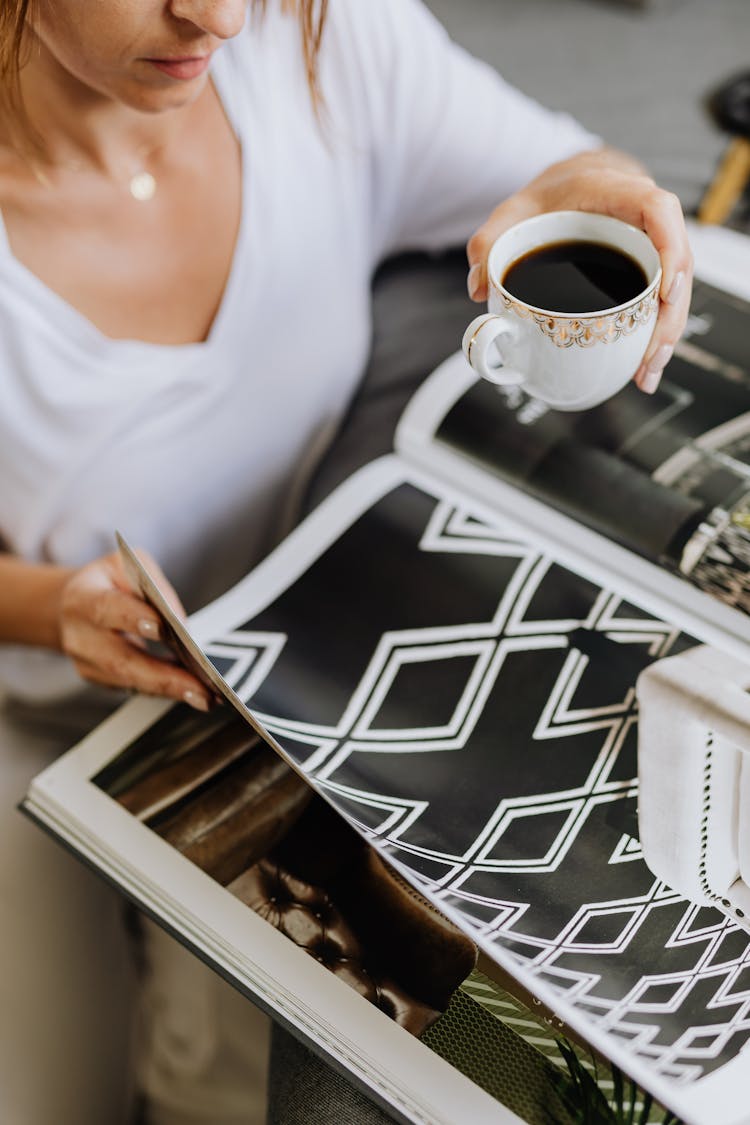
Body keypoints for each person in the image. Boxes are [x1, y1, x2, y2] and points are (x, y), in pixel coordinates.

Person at [0, 0, 693, 1122]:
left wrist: (601, 187)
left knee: (234, 1076)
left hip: (296, 683)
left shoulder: (323, 41)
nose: (218, 16)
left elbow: (563, 168)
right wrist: (49, 607)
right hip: (44, 708)